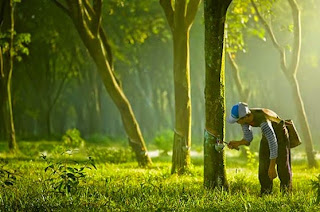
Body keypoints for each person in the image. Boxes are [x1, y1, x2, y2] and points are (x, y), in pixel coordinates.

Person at [227, 102, 292, 195]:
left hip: (280, 136)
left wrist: (272, 166)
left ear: (245, 117)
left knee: (283, 168)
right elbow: (248, 138)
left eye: (237, 120)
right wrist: (237, 143)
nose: (237, 123)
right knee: (263, 167)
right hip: (267, 137)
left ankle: (287, 193)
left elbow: (273, 143)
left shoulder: (264, 122)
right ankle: (266, 193)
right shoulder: (245, 120)